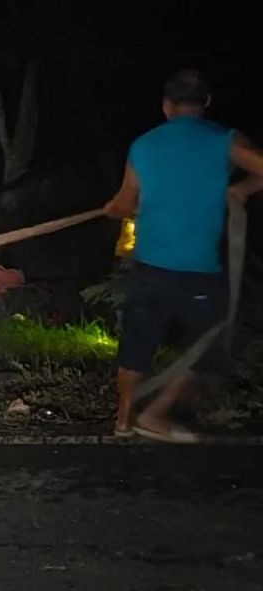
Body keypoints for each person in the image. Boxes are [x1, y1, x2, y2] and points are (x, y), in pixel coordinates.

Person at [103, 68, 263, 442]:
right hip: (198, 272)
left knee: (136, 344)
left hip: (148, 269)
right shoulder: (224, 140)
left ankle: (124, 420)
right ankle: (156, 414)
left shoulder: (143, 146)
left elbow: (126, 204)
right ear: (205, 103)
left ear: (166, 106)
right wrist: (243, 188)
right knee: (211, 348)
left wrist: (114, 207)